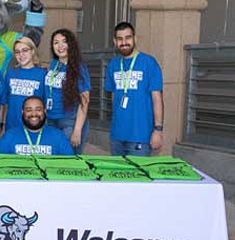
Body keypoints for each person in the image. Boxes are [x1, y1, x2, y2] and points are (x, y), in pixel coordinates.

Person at [105, 22, 164, 156]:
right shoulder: (113, 64)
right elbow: (113, 96)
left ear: (135, 39)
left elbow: (157, 98)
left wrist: (158, 130)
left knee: (138, 176)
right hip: (117, 135)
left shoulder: (149, 63)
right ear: (115, 42)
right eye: (120, 39)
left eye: (128, 38)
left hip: (140, 135)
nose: (124, 42)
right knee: (117, 176)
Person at [44, 29, 91, 154]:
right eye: (56, 42)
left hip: (69, 122)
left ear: (71, 44)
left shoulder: (79, 67)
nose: (60, 46)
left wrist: (77, 130)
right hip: (51, 119)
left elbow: (84, 101)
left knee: (69, 162)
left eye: (64, 42)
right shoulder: (53, 64)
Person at [0, 96, 72, 155]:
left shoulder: (59, 137)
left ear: (45, 111)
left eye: (38, 110)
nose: (34, 114)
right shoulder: (9, 136)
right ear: (22, 112)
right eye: (29, 110)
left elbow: (69, 165)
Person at [4, 36, 47, 131]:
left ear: (32, 51)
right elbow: (5, 103)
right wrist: (3, 125)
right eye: (17, 52)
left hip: (34, 126)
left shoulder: (43, 74)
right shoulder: (11, 73)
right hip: (12, 126)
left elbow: (46, 104)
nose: (21, 55)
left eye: (25, 50)